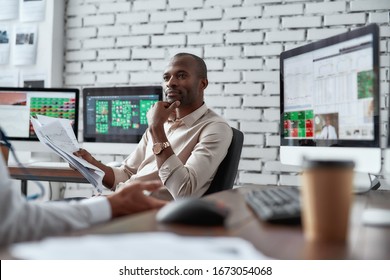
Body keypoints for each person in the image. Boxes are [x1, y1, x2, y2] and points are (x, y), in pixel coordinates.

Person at [75, 53, 232, 200]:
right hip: (120, 202)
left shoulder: (215, 128)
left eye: (181, 75)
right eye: (166, 77)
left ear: (202, 83)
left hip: (146, 215)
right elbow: (126, 174)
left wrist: (156, 129)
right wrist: (91, 163)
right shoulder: (161, 122)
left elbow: (184, 192)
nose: (171, 82)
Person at [0, 152, 167, 247]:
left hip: (151, 210)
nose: (169, 87)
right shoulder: (155, 126)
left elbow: (185, 187)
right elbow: (13, 222)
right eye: (165, 86)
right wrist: (110, 205)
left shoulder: (161, 126)